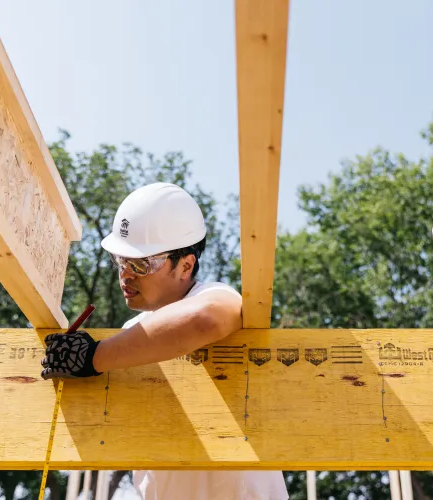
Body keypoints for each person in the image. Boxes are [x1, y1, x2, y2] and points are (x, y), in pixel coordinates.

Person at [40, 182, 289, 500]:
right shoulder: (133, 332)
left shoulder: (214, 296)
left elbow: (206, 319)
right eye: (122, 261)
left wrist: (93, 357)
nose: (126, 274)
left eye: (141, 264)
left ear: (185, 265)